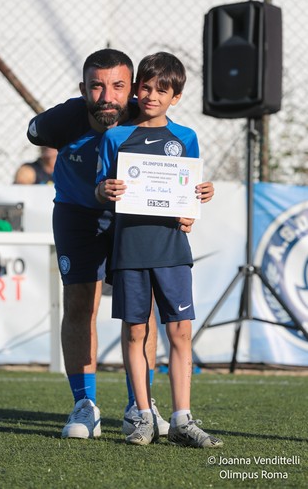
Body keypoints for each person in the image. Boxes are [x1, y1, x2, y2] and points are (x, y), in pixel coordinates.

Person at [26, 49, 214, 440]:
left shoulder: (146, 117)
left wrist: (187, 207)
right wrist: (58, 121)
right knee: (81, 304)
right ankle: (84, 405)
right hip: (78, 214)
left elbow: (181, 173)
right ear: (84, 89)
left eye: (118, 86)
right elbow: (34, 131)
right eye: (96, 86)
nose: (107, 96)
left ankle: (138, 407)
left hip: (133, 221)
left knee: (140, 313)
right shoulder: (70, 116)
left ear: (131, 89)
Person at [95, 51, 223, 447]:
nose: (152, 95)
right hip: (130, 247)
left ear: (176, 97)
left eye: (161, 90)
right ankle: (142, 414)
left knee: (180, 331)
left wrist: (201, 197)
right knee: (136, 331)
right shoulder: (115, 136)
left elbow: (189, 194)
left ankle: (182, 418)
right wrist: (105, 189)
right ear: (136, 90)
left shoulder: (186, 138)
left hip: (171, 247)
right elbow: (100, 189)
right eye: (146, 87)